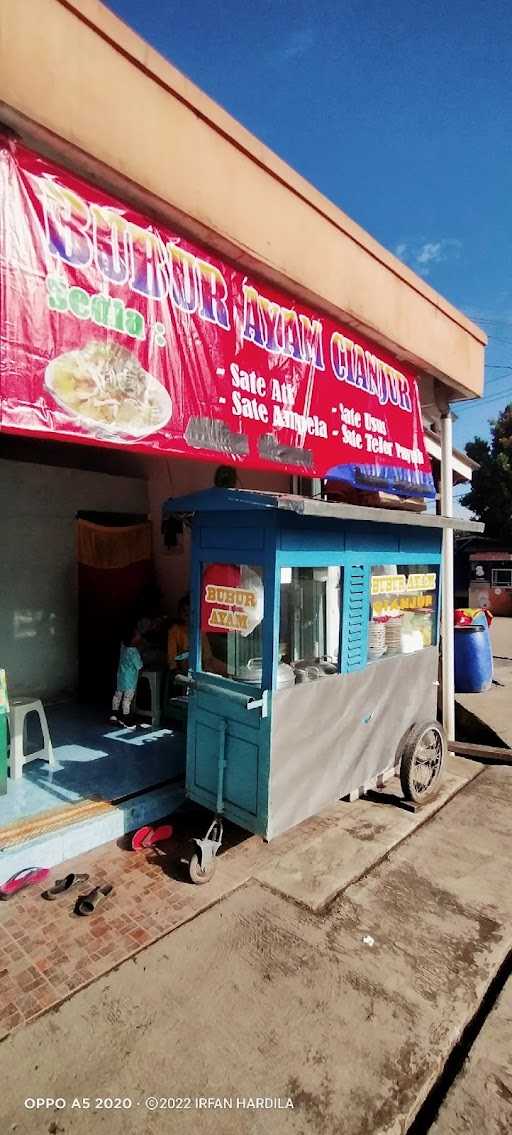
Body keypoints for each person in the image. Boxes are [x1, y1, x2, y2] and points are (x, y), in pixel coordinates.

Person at [167, 594, 226, 679]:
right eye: (184, 611)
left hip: (204, 661)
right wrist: (173, 668)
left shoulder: (199, 629)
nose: (187, 614)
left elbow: (207, 651)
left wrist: (207, 664)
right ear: (179, 613)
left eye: (189, 611)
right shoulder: (175, 630)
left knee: (226, 670)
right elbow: (172, 654)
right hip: (187, 663)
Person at [111, 623, 144, 723]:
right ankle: (126, 717)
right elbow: (139, 666)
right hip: (130, 681)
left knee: (117, 696)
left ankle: (114, 714)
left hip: (120, 678)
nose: (140, 636)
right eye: (138, 634)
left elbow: (123, 642)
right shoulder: (134, 652)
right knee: (127, 699)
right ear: (133, 639)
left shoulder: (123, 648)